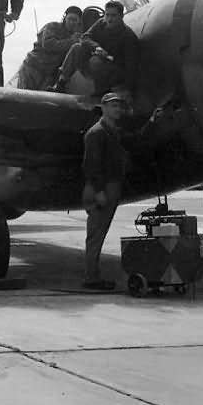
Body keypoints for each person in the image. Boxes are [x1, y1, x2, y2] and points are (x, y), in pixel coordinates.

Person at [80, 92, 130, 290]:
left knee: (99, 232)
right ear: (103, 108)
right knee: (95, 234)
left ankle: (93, 275)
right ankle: (91, 277)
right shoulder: (97, 133)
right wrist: (100, 191)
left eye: (119, 106)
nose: (117, 109)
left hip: (110, 187)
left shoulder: (112, 131)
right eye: (113, 106)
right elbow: (91, 166)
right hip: (100, 189)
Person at [52, 0, 139, 95]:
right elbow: (85, 37)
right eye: (107, 15)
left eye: (113, 16)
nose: (109, 19)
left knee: (96, 61)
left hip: (113, 71)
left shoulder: (128, 36)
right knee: (77, 47)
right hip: (95, 63)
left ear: (121, 16)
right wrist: (96, 47)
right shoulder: (101, 23)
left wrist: (128, 89)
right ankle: (60, 84)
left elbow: (131, 66)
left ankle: (101, 92)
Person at [16, 6, 82, 90]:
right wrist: (71, 41)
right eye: (70, 19)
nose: (71, 22)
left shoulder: (77, 36)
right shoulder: (52, 26)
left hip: (49, 74)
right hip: (33, 68)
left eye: (75, 20)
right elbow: (48, 44)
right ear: (65, 18)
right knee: (24, 96)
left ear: (79, 22)